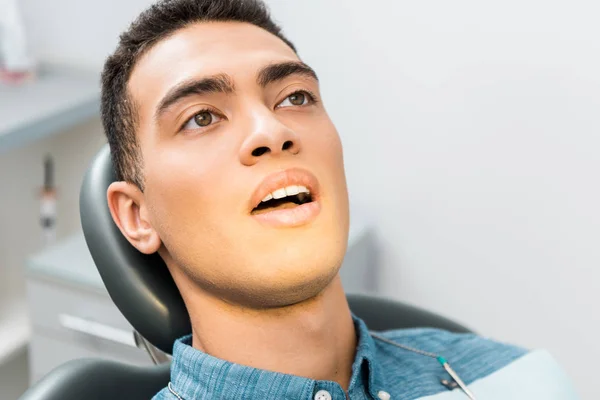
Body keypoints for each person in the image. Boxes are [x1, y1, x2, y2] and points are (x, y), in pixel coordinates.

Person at [101, 0, 579, 398]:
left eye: (294, 97)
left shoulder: (517, 378)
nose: (272, 130)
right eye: (201, 117)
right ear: (138, 217)